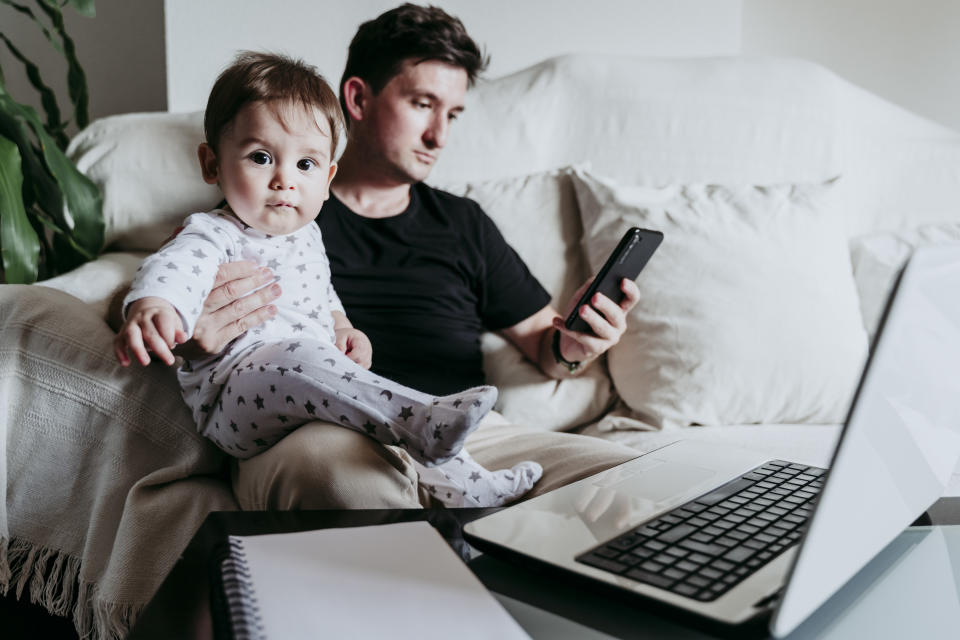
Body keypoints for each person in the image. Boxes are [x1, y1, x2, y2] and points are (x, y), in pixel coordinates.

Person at [126, 3, 642, 510]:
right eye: (423, 104)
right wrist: (177, 325)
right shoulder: (265, 213)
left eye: (453, 114)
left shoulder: (461, 223)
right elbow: (171, 274)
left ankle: (451, 461)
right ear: (358, 98)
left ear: (321, 175)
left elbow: (542, 344)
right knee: (345, 478)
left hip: (462, 432)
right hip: (310, 433)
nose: (440, 135)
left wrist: (576, 343)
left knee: (630, 485)